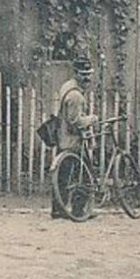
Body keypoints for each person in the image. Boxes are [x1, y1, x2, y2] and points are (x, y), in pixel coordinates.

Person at [48, 57, 97, 219]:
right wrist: (92, 119)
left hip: (63, 138)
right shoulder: (75, 96)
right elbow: (75, 121)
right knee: (85, 175)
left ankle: (58, 209)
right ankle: (78, 211)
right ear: (76, 73)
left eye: (89, 74)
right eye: (83, 74)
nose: (87, 78)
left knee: (63, 176)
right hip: (73, 141)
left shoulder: (66, 86)